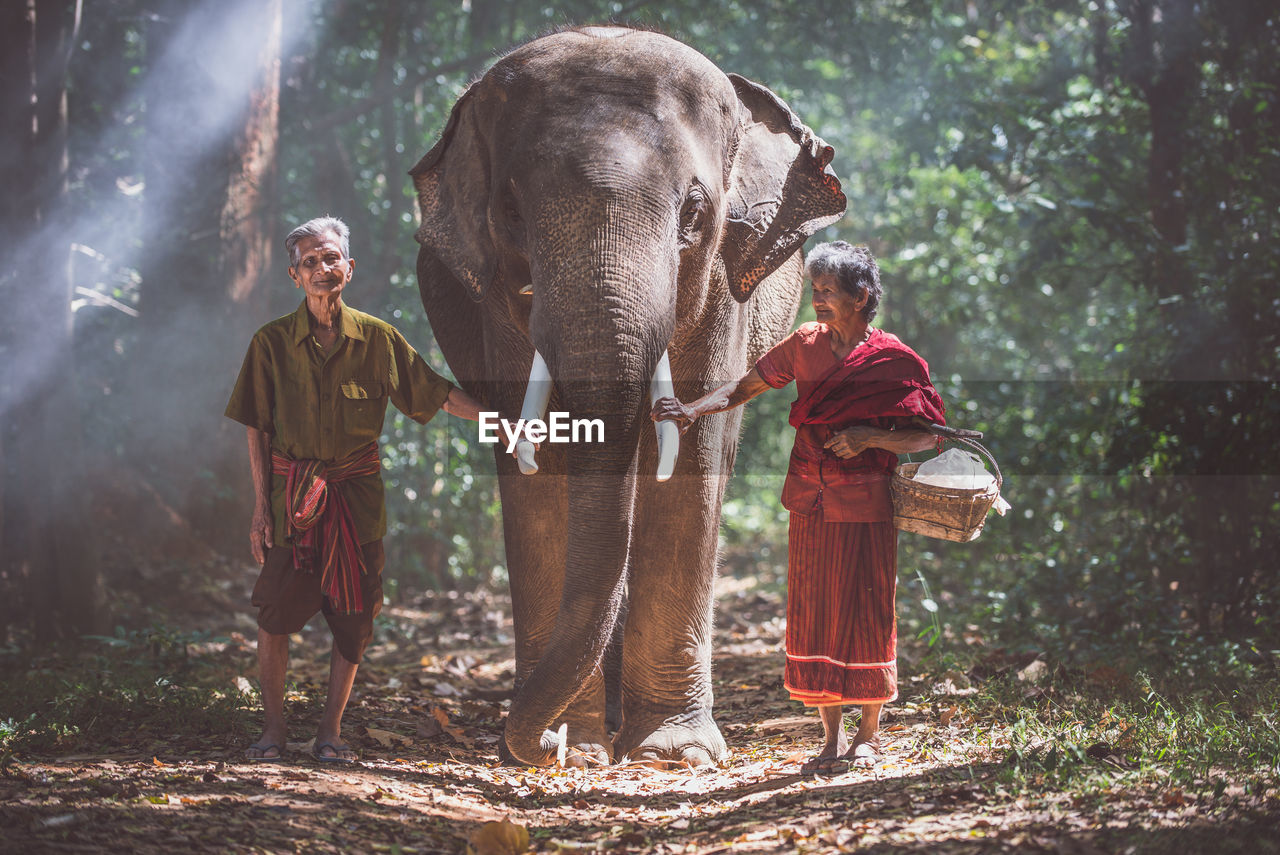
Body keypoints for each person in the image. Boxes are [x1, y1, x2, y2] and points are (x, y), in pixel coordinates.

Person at [652, 241, 945, 774]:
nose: (818, 301)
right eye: (815, 291)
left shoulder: (895, 361)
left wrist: (866, 439)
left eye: (828, 292)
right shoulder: (805, 345)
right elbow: (747, 386)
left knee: (868, 608)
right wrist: (690, 410)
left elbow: (928, 439)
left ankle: (869, 735)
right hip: (810, 497)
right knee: (814, 611)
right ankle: (831, 738)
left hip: (867, 504)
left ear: (861, 296)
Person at [225, 216, 484, 763]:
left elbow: (434, 394)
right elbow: (257, 427)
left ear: (350, 267)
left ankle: (329, 733)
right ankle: (273, 732)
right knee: (274, 617)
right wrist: (258, 511)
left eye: (332, 258)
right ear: (295, 276)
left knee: (354, 623)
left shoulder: (377, 339)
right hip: (292, 506)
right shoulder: (270, 343)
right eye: (311, 261)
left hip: (357, 505)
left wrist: (503, 420)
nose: (323, 268)